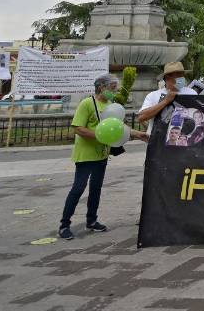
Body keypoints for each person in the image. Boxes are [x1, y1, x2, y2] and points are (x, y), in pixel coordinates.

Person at [59, 74, 149, 241]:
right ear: (102, 87)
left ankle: (91, 220)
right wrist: (99, 136)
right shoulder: (87, 103)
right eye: (112, 88)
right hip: (85, 155)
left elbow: (119, 127)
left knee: (96, 188)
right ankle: (64, 224)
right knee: (78, 188)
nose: (114, 92)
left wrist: (139, 135)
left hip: (102, 154)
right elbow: (78, 128)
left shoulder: (110, 105)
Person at [137, 61, 197, 135]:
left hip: (182, 140)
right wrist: (165, 101)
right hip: (158, 141)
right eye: (177, 76)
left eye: (181, 75)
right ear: (167, 78)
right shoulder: (153, 95)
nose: (181, 79)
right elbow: (141, 117)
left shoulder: (191, 93)